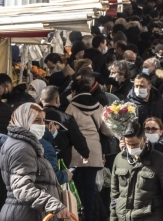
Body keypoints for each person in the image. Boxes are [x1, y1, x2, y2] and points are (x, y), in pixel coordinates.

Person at [0, 103, 70, 221]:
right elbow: (22, 188)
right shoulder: (22, 148)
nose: (42, 125)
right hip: (27, 214)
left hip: (26, 213)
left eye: (43, 120)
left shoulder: (22, 144)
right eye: (36, 120)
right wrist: (53, 204)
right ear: (23, 120)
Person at [65, 77, 114, 221]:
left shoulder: (71, 107)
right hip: (93, 152)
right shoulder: (98, 106)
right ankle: (91, 216)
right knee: (90, 188)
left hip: (76, 151)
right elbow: (107, 130)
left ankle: (76, 214)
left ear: (74, 91)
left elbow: (68, 129)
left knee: (75, 186)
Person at [110, 120, 163, 221]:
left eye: (134, 144)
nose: (130, 148)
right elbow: (114, 195)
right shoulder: (119, 159)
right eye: (127, 144)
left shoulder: (161, 161)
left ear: (144, 139)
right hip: (123, 217)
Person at [40, 85, 90, 168]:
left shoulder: (33, 118)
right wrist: (85, 153)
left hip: (38, 160)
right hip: (60, 162)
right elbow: (77, 138)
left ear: (41, 100)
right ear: (57, 99)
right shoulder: (66, 118)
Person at [40, 112, 72, 185]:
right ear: (51, 125)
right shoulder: (47, 146)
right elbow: (54, 176)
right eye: (57, 127)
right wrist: (66, 175)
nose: (57, 131)